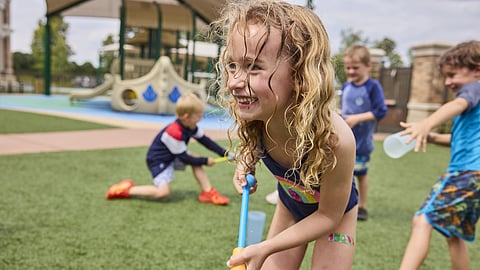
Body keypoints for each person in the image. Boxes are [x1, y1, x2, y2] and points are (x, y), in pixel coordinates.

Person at [212, 1, 358, 269]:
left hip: (334, 216)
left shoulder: (336, 140)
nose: (233, 81)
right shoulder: (259, 116)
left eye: (253, 66)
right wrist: (246, 161)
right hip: (291, 205)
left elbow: (328, 215)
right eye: (232, 65)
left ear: (299, 74)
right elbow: (252, 144)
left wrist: (267, 247)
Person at [398, 40, 480, 270]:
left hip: (466, 172)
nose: (448, 82)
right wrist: (432, 136)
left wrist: (426, 123)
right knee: (454, 235)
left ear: (477, 69)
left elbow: (458, 104)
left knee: (422, 219)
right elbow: (458, 140)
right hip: (476, 177)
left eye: (453, 75)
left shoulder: (473, 88)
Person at [105, 93, 230, 205]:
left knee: (195, 158)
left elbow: (206, 141)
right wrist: (205, 161)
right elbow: (184, 158)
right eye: (198, 115)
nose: (200, 118)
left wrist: (225, 153)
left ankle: (207, 192)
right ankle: (126, 190)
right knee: (162, 193)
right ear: (186, 117)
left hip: (173, 155)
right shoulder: (174, 132)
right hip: (159, 160)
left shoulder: (191, 126)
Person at [340, 45, 387, 221]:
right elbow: (345, 109)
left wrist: (357, 118)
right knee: (344, 172)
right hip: (346, 139)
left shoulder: (372, 87)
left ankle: (362, 206)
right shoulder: (346, 86)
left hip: (362, 142)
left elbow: (380, 111)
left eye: (355, 68)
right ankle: (343, 203)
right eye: (348, 67)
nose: (351, 71)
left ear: (368, 65)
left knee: (361, 173)